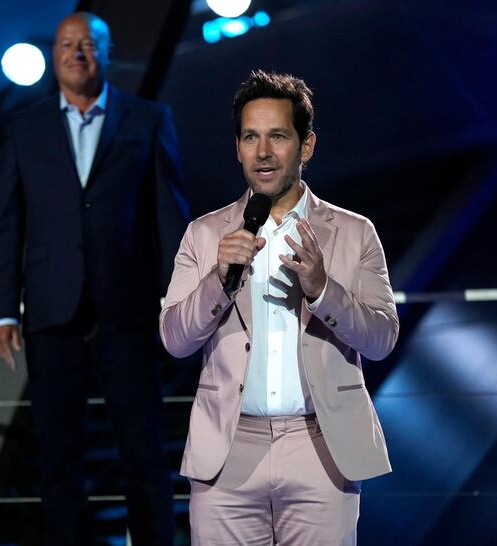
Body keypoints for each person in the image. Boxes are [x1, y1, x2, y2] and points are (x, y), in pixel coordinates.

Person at [159, 70, 399, 545]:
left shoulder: (354, 233)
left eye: (277, 136)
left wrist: (323, 288)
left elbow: (382, 338)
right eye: (251, 137)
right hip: (227, 453)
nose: (263, 152)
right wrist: (217, 281)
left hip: (321, 450)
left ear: (306, 146)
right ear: (238, 147)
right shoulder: (205, 235)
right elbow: (174, 339)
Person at [0, 12, 188, 546]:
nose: (77, 53)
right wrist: (4, 310)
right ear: (54, 55)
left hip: (128, 312)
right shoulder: (23, 128)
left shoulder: (148, 118)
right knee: (58, 459)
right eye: (67, 44)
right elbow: (6, 225)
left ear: (108, 51)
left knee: (144, 452)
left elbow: (169, 219)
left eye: (88, 45)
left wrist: (183, 300)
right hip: (52, 316)